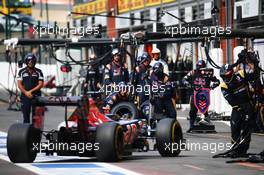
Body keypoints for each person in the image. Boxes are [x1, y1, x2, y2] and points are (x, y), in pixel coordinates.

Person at [220, 64, 255, 157]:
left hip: (249, 105)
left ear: (232, 73)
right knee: (235, 127)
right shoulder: (224, 85)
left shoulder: (242, 74)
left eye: (227, 76)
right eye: (223, 76)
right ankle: (235, 149)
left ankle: (243, 150)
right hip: (237, 108)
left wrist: (252, 65)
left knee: (246, 129)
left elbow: (254, 76)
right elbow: (230, 100)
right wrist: (239, 109)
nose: (225, 78)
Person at [182, 60, 220, 132]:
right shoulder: (193, 72)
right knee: (193, 110)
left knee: (205, 109)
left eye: (201, 67)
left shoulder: (208, 73)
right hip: (195, 93)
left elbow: (217, 81)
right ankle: (191, 126)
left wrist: (212, 86)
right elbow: (184, 79)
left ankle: (208, 125)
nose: (200, 69)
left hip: (204, 94)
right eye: (198, 67)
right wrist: (187, 84)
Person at [17, 53, 44, 123]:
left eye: (32, 61)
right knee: (26, 117)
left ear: (34, 61)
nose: (30, 62)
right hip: (25, 96)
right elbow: (19, 84)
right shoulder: (21, 72)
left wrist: (30, 92)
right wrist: (26, 92)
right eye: (29, 61)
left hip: (36, 96)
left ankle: (36, 133)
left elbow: (40, 84)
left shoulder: (39, 72)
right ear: (26, 61)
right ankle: (26, 132)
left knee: (36, 118)